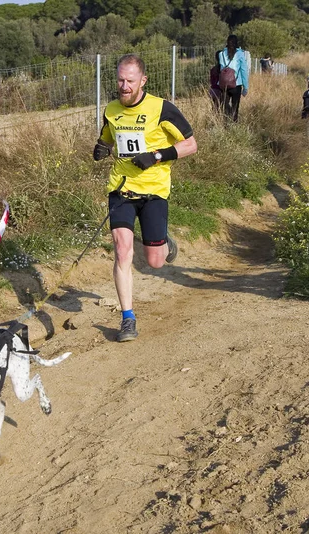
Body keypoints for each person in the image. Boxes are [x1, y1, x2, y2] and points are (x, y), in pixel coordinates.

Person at [92, 54, 198, 342]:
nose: (124, 86)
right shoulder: (111, 109)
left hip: (153, 191)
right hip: (121, 189)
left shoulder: (161, 108)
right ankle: (127, 318)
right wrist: (101, 148)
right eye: (120, 80)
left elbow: (190, 144)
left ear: (143, 81)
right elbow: (108, 137)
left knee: (155, 262)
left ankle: (164, 242)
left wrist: (156, 156)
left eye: (130, 81)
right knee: (122, 249)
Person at [218, 35, 249, 122]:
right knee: (235, 106)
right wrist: (245, 87)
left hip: (223, 84)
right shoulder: (240, 54)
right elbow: (244, 71)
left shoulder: (221, 54)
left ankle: (226, 122)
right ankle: (234, 122)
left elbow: (220, 69)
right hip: (236, 84)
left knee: (225, 105)